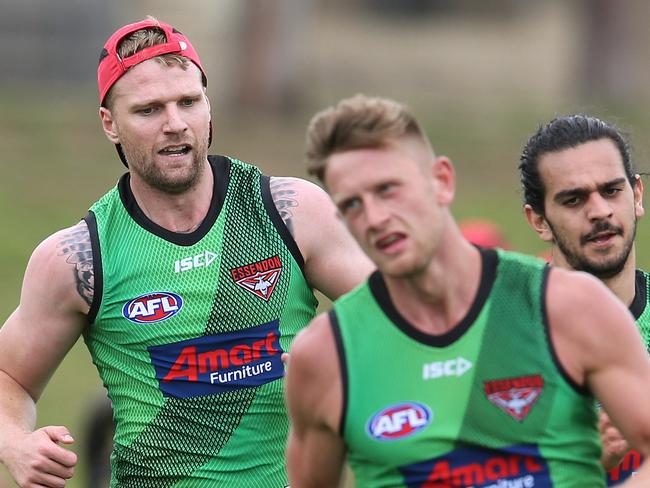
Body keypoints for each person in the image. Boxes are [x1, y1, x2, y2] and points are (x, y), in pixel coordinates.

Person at [0, 18, 373, 487]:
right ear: (110, 123)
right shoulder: (81, 258)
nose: (175, 124)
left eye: (188, 102)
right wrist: (14, 442)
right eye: (149, 110)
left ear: (207, 104)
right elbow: (7, 375)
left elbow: (401, 316)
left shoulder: (292, 212)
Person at [285, 94, 650, 487]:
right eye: (353, 204)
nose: (375, 218)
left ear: (441, 181)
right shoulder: (324, 355)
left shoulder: (570, 306)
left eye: (389, 190)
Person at [519, 114, 650, 485]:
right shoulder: (499, 335)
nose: (600, 211)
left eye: (611, 191)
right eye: (574, 199)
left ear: (636, 195)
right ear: (539, 221)